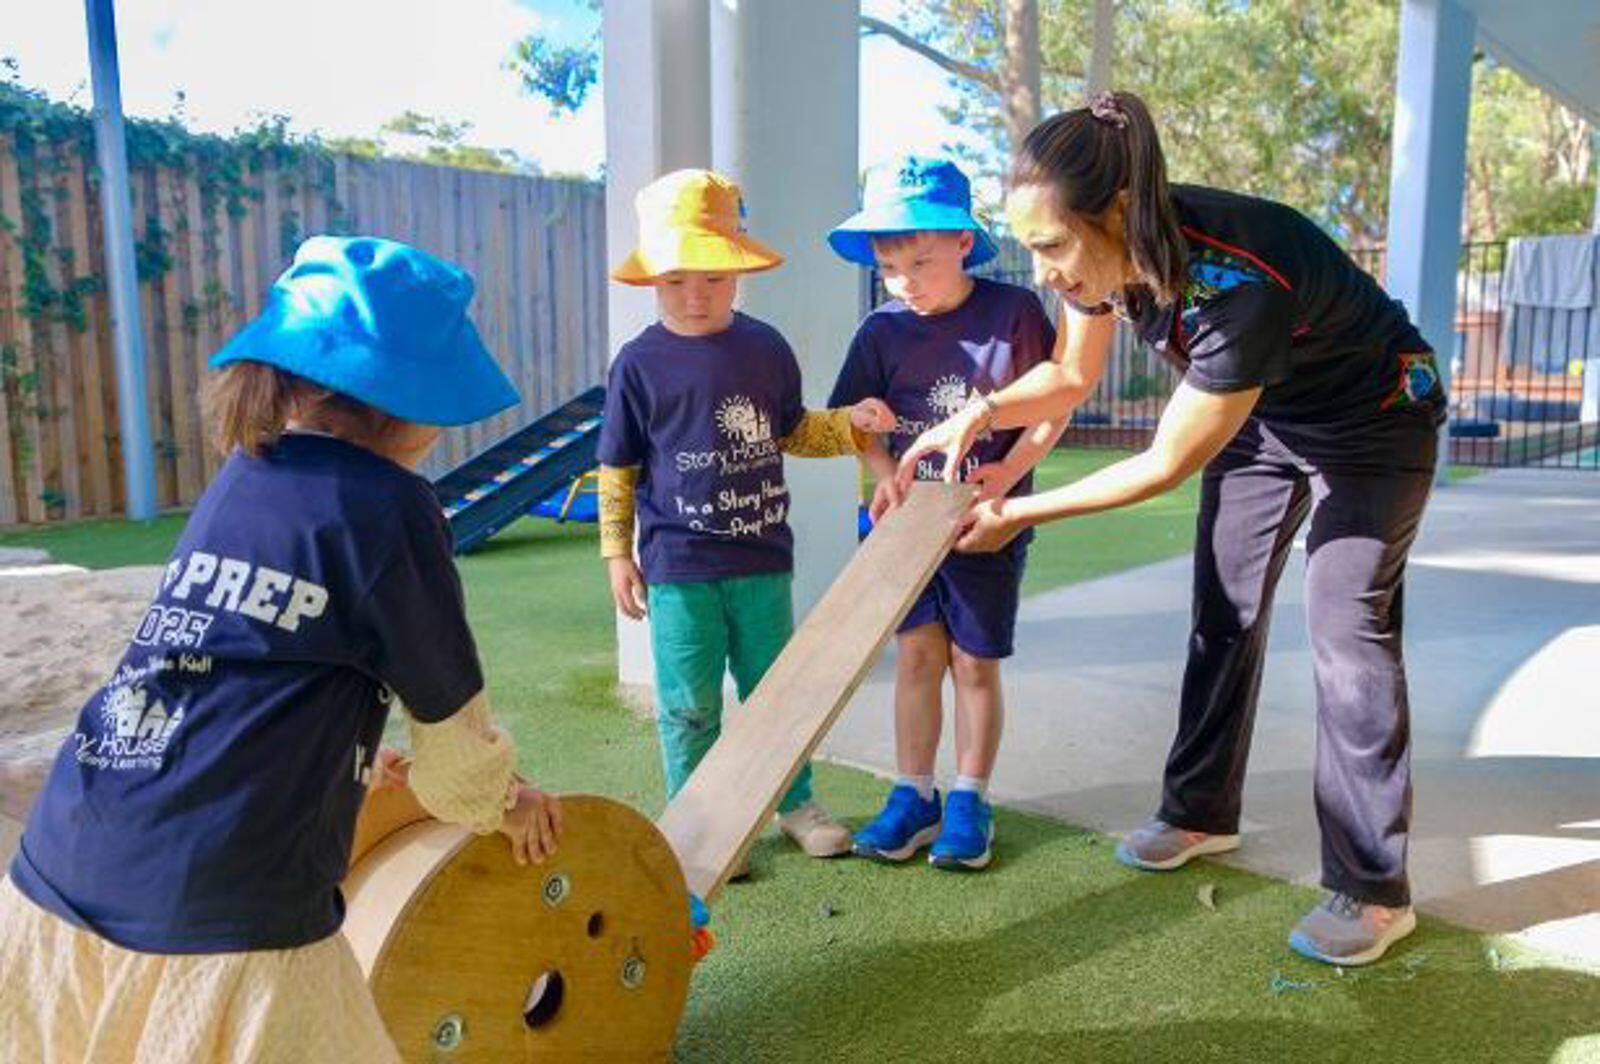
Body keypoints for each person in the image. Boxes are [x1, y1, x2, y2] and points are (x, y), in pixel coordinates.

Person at [901, 92, 1445, 965]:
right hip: (1268, 418)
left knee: (1349, 628)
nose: (1043, 270)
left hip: (1375, 421)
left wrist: (1013, 513)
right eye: (1030, 247)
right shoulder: (1105, 263)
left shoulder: (1238, 283)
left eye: (1050, 245)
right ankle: (1199, 811)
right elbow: (1071, 378)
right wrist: (978, 414)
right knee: (1222, 612)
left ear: (1116, 214)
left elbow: (1163, 463)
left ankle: (1373, 886)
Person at [0, 236, 564, 1061]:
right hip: (228, 900)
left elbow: (240, 662)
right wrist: (498, 799)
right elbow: (452, 728)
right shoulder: (393, 506)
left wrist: (353, 756)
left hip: (66, 856)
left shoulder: (241, 478)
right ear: (412, 408)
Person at [598, 169, 896, 868]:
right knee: (690, 704)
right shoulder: (637, 365)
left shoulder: (765, 348)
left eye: (711, 276)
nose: (694, 295)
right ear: (652, 280)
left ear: (736, 271)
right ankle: (698, 822)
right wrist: (617, 552)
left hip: (763, 561)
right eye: (675, 279)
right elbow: (619, 467)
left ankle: (795, 803)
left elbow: (792, 430)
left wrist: (851, 426)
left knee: (776, 695)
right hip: (679, 568)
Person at [826, 156, 1063, 870]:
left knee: (973, 660)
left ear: (964, 241)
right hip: (904, 523)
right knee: (917, 655)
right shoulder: (879, 330)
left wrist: (1007, 480)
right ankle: (914, 794)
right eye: (889, 269)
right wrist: (880, 476)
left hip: (984, 520)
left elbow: (1052, 409)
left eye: (920, 263)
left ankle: (969, 797)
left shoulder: (1014, 313)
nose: (905, 284)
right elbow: (858, 424)